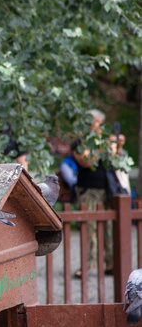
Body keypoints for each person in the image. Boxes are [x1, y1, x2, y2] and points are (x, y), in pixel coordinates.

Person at [72, 109, 126, 278]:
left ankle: (111, 264)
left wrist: (118, 147)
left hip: (108, 189)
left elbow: (117, 162)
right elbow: (87, 161)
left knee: (110, 228)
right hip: (89, 189)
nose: (97, 126)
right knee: (90, 228)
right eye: (94, 122)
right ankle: (88, 265)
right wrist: (103, 146)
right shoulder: (80, 142)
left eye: (99, 122)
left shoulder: (105, 141)